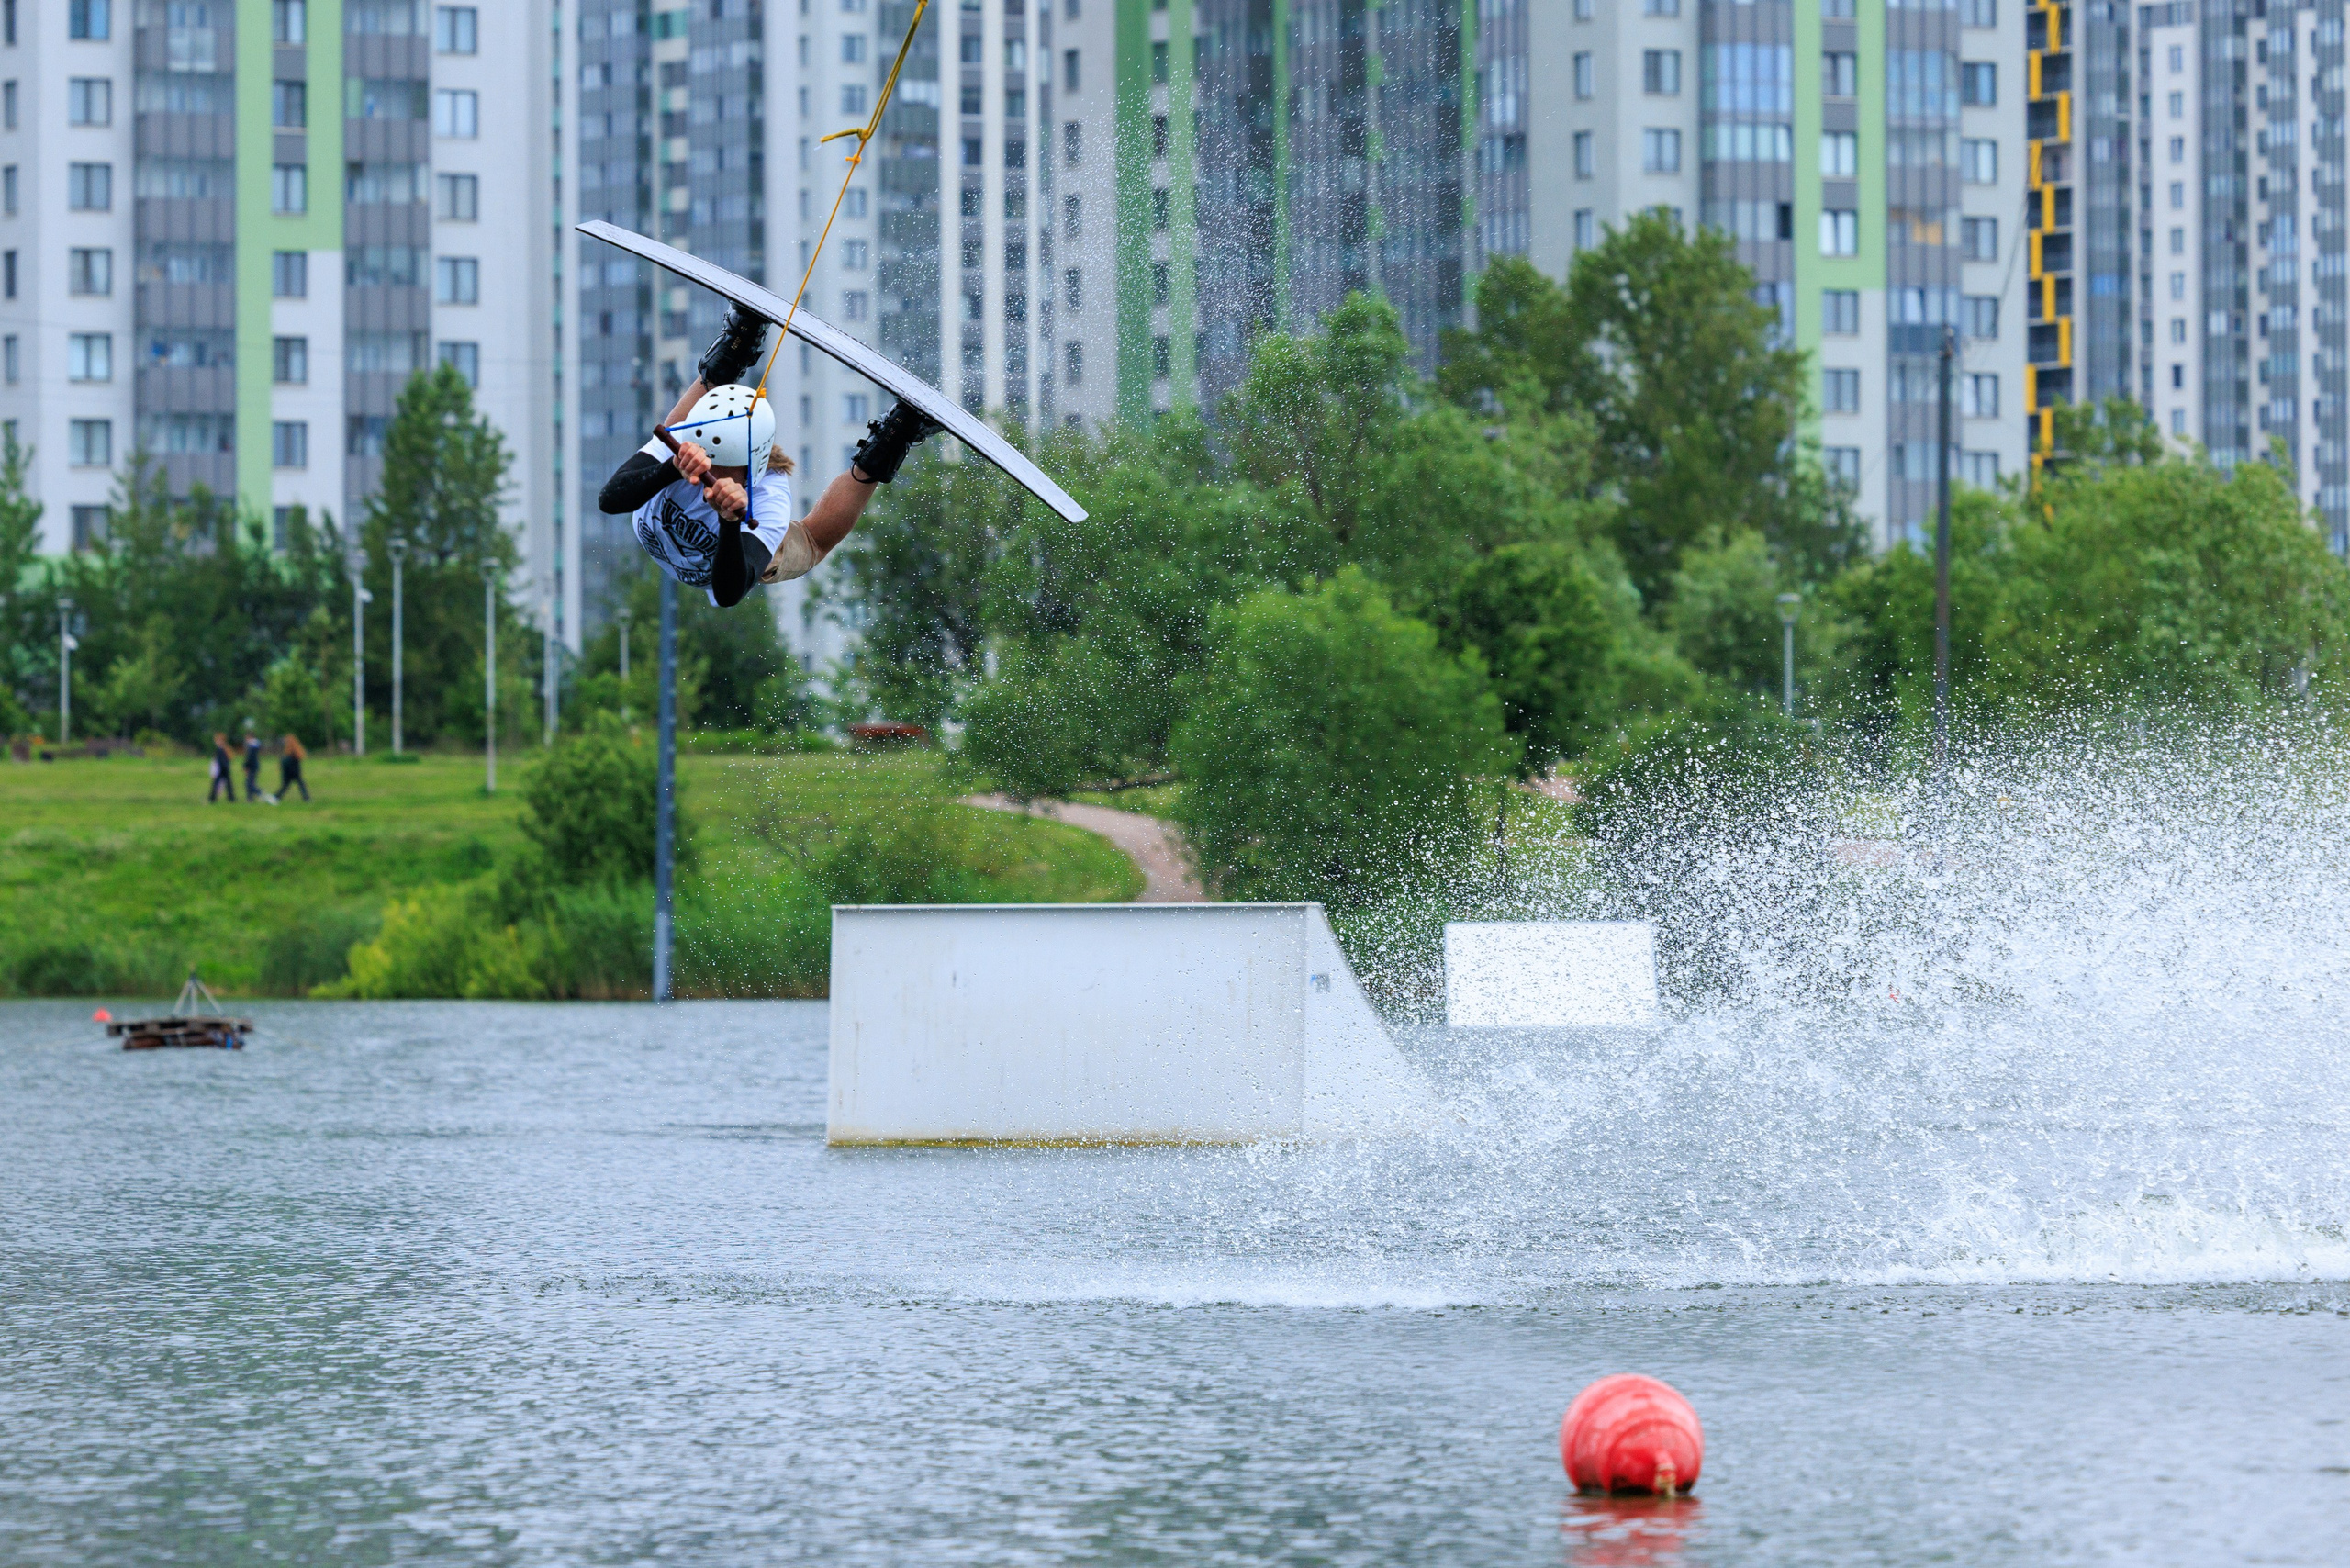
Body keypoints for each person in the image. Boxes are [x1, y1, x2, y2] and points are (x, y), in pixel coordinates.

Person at [597, 306, 940, 608]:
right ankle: (732, 350)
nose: (704, 469)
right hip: (661, 502)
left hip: (731, 547)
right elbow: (610, 500)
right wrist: (672, 469)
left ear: (750, 470)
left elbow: (730, 591)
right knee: (673, 428)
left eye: (719, 465)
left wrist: (731, 522)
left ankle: (890, 442)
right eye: (704, 454)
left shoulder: (768, 499)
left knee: (811, 543)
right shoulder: (683, 444)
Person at [278, 734, 310, 802]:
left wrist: (282, 763)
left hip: (290, 772)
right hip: (296, 771)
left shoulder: (290, 750)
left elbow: (287, 762)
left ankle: (276, 797)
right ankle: (307, 798)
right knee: (300, 784)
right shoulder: (297, 749)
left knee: (286, 785)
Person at [207, 734, 234, 803]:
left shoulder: (222, 749)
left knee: (217, 783)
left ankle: (212, 798)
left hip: (223, 769)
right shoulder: (221, 748)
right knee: (228, 784)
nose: (216, 742)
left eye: (218, 740)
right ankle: (231, 798)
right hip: (224, 768)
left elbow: (229, 757)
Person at [241, 729, 263, 801]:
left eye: (246, 738)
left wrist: (245, 766)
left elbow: (249, 758)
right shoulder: (255, 745)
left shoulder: (252, 746)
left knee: (249, 784)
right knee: (249, 782)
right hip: (254, 766)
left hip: (252, 767)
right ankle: (250, 798)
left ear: (250, 737)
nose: (246, 739)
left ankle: (259, 792)